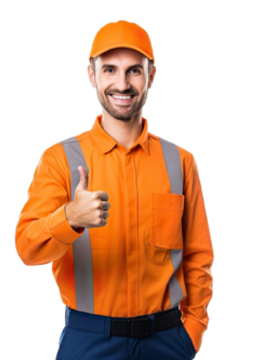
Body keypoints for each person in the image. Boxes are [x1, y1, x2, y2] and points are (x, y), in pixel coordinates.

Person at [13, 19, 214, 359]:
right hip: (89, 341)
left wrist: (192, 332)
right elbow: (26, 250)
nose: (122, 83)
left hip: (167, 341)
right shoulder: (59, 158)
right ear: (91, 75)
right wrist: (69, 218)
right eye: (110, 70)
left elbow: (199, 255)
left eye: (134, 71)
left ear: (151, 76)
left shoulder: (180, 160)